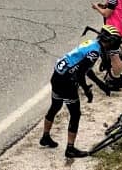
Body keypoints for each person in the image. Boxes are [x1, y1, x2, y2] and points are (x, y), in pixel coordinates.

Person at [39, 26, 117, 157]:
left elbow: (84, 68)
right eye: (113, 43)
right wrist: (87, 90)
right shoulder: (94, 53)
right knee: (75, 114)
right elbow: (80, 74)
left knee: (55, 106)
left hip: (57, 76)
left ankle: (45, 137)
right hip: (67, 82)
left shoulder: (92, 44)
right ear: (108, 41)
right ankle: (70, 149)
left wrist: (100, 84)